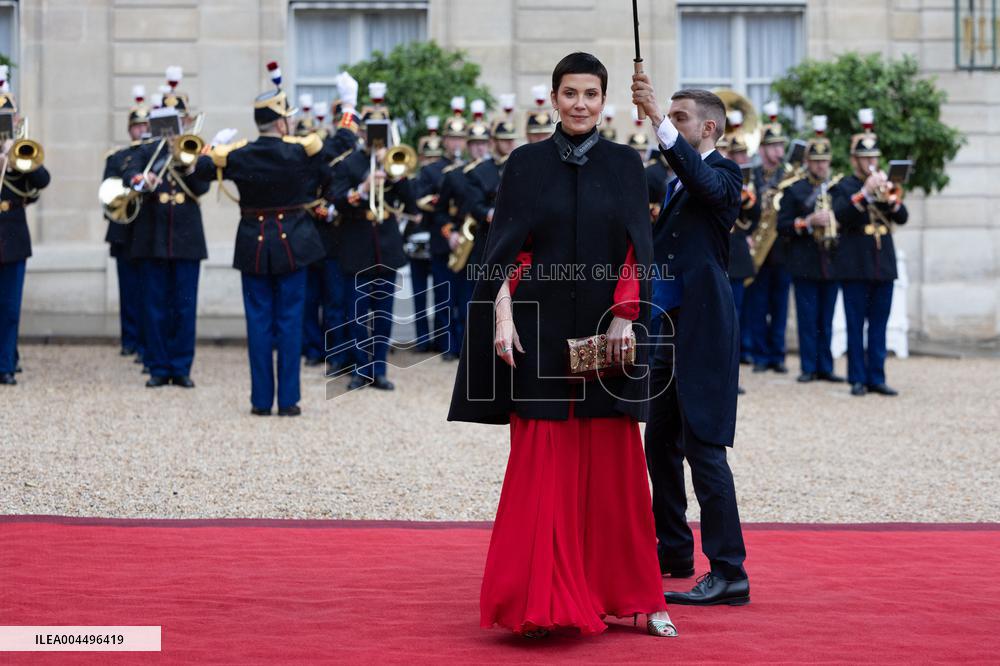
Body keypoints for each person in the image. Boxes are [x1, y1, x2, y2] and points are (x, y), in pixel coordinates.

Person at [449, 52, 675, 639]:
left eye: (591, 94)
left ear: (606, 101)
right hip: (539, 334)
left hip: (608, 335)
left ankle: (637, 597)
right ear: (553, 98)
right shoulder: (524, 164)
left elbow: (637, 249)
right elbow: (505, 249)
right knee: (542, 464)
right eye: (570, 93)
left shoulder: (628, 164)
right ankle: (539, 599)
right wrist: (501, 313)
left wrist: (627, 316)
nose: (580, 104)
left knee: (617, 471)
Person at [631, 74, 750, 606]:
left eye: (680, 119)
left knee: (704, 447)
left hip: (703, 327)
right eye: (669, 117)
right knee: (659, 441)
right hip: (667, 327)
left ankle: (729, 571)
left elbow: (706, 184)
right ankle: (674, 549)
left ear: (708, 127)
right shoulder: (674, 178)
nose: (669, 126)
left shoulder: (726, 172)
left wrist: (658, 116)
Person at [196, 61, 330, 416]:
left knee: (258, 325)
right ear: (282, 121)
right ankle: (288, 401)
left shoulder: (239, 154)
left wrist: (213, 146)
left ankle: (260, 401)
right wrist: (346, 115)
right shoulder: (299, 151)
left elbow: (201, 169)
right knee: (289, 323)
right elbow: (330, 168)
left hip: (253, 242)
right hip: (293, 244)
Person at [124, 68, 213, 389]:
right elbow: (129, 174)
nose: (174, 126)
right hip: (153, 238)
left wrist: (190, 165)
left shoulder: (194, 150)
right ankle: (159, 367)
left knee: (184, 307)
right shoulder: (148, 150)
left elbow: (202, 187)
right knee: (155, 306)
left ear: (185, 121)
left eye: (179, 119)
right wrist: (141, 179)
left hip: (186, 238)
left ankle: (181, 366)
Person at [330, 84, 410, 392]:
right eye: (370, 131)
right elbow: (336, 199)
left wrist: (396, 176)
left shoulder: (394, 162)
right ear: (361, 133)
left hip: (386, 247)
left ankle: (378, 369)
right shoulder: (349, 163)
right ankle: (359, 369)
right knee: (357, 312)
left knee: (384, 315)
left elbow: (411, 201)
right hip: (357, 245)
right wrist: (363, 189)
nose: (374, 137)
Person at [831, 109, 908, 397]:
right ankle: (857, 378)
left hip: (882, 264)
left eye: (874, 158)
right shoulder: (846, 185)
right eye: (865, 158)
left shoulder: (886, 186)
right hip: (855, 264)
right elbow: (841, 215)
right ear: (855, 160)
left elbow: (902, 217)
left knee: (879, 324)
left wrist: (891, 198)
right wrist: (864, 193)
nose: (871, 163)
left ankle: (877, 376)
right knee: (855, 324)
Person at [777, 117, 846, 384]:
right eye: (817, 161)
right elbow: (783, 226)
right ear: (808, 162)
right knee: (807, 319)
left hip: (830, 261)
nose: (821, 166)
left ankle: (825, 367)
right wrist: (807, 223)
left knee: (826, 320)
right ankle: (808, 366)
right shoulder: (795, 190)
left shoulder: (837, 189)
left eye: (825, 161)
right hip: (805, 262)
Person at [0, 80, 51, 386]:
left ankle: (5, 364)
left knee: (9, 308)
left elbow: (43, 179)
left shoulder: (22, 149)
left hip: (14, 238)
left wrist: (15, 158)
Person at [103, 86, 150, 360]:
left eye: (145, 125)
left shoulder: (156, 155)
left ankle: (145, 342)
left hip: (149, 229)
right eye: (137, 126)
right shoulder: (117, 157)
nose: (141, 130)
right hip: (124, 231)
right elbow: (107, 191)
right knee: (128, 289)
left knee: (148, 290)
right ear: (129, 129)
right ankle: (129, 339)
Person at [746, 104, 793, 374]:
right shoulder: (752, 175)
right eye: (773, 146)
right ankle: (760, 355)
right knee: (757, 305)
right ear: (762, 148)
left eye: (780, 146)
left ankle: (778, 355)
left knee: (780, 306)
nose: (779, 151)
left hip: (782, 251)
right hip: (758, 250)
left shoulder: (788, 175)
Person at [721, 130, 759, 394]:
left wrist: (747, 198)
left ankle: (731, 376)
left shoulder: (738, 178)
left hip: (733, 256)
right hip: (712, 256)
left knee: (733, 320)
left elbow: (751, 217)